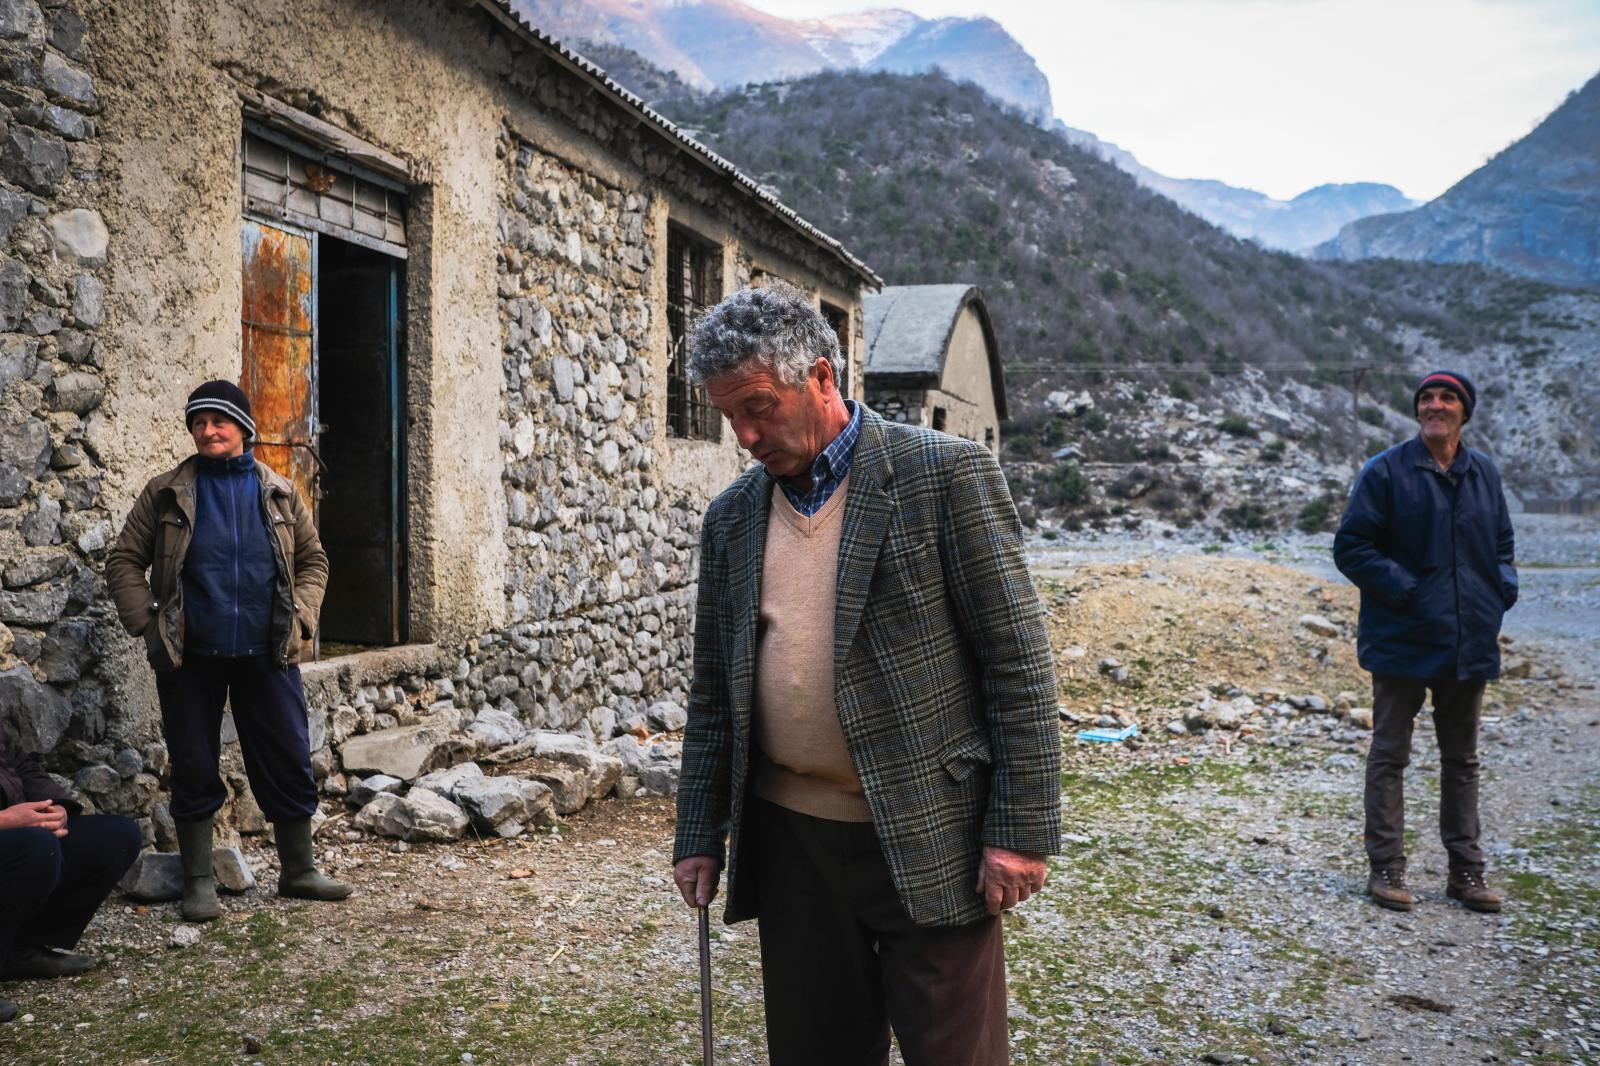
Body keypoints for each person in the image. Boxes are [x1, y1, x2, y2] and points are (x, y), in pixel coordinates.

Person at [671, 283, 1061, 1065]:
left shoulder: (943, 478)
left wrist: (1018, 832)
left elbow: (1017, 665)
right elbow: (716, 692)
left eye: (760, 407)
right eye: (730, 418)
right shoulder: (733, 518)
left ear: (821, 378)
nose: (746, 435)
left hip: (932, 830)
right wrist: (698, 831)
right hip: (792, 842)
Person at [105, 380, 349, 922]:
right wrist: (148, 623)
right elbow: (124, 561)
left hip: (268, 652)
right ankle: (198, 882)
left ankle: (299, 871)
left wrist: (304, 618)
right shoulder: (166, 492)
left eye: (219, 421)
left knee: (287, 755)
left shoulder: (279, 491)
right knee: (193, 762)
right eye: (199, 423)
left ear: (244, 428)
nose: (208, 431)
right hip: (190, 656)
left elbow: (314, 562)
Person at [1334, 369, 1516, 913]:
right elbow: (1352, 547)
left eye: (1448, 397)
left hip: (1469, 641)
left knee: (1462, 761)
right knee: (1390, 755)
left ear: (1465, 410)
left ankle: (1467, 873)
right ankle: (1386, 868)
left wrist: (1499, 592)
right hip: (1403, 638)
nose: (1435, 405)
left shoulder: (1483, 472)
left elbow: (1502, 545)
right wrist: (1409, 592)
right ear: (1418, 411)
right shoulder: (1385, 471)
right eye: (1427, 398)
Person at [0, 721, 142, 1023]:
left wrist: (56, 807)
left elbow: (18, 761)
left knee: (117, 839)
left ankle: (17, 951)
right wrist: (4, 821)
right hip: (12, 835)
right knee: (37, 848)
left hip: (18, 835)